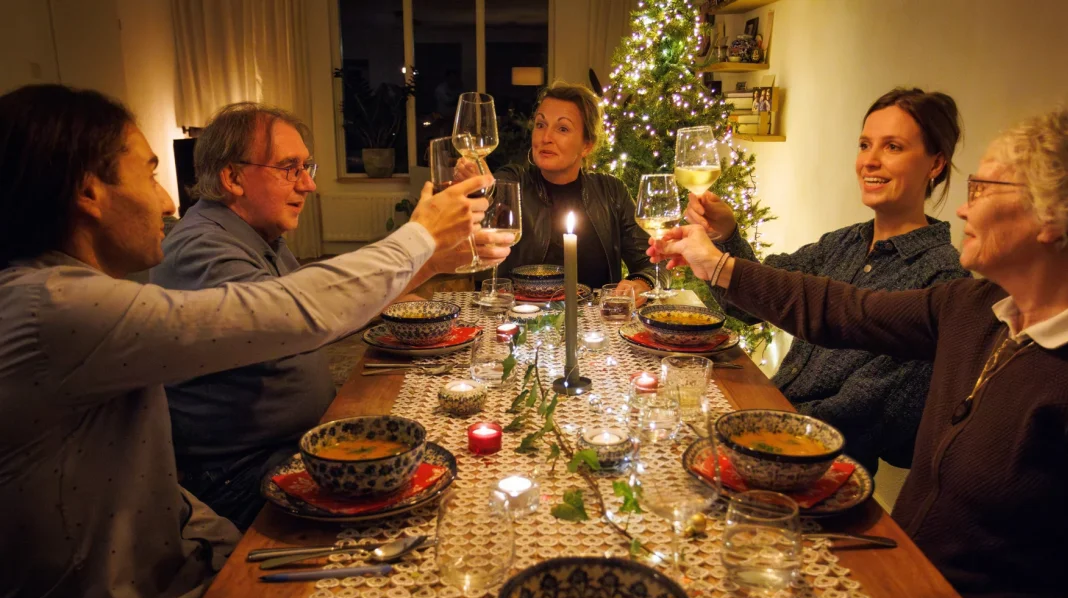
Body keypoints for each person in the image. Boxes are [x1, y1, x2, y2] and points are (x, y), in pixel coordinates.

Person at [0, 84, 504, 598]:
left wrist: (430, 254)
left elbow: (311, 316)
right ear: (88, 190)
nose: (168, 201)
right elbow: (290, 313)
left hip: (186, 554)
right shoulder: (54, 308)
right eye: (148, 172)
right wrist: (418, 238)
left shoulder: (60, 294)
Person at [651, 108, 1068, 598]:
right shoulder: (979, 307)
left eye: (985, 187)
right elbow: (841, 309)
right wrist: (717, 265)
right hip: (898, 581)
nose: (964, 205)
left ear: (1055, 219)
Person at [149, 103, 500, 530]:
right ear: (233, 177)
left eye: (306, 167)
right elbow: (305, 317)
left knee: (442, 456)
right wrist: (420, 237)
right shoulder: (203, 248)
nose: (309, 184)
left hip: (294, 444)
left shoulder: (256, 236)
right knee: (437, 510)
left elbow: (336, 311)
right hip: (239, 476)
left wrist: (430, 263)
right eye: (290, 168)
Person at [686, 88, 968, 474]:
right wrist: (727, 235)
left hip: (820, 469)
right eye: (865, 144)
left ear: (935, 164)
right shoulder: (844, 242)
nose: (869, 161)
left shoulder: (943, 278)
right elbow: (749, 306)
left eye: (893, 147)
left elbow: (867, 412)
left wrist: (753, 420)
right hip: (762, 428)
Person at [491, 81, 656, 299]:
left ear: (587, 145)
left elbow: (652, 262)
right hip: (524, 320)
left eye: (562, 128)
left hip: (598, 326)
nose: (545, 137)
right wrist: (476, 180)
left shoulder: (612, 191)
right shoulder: (514, 182)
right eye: (540, 125)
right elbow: (488, 191)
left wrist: (642, 283)